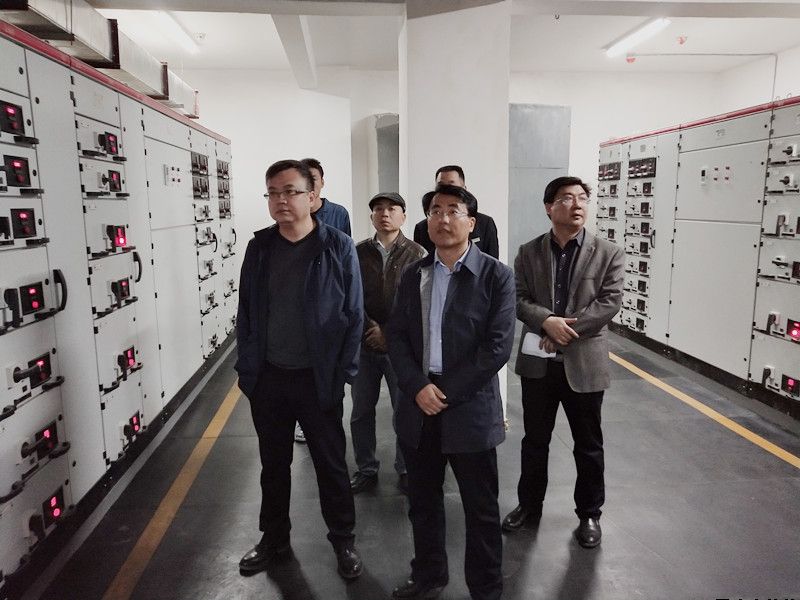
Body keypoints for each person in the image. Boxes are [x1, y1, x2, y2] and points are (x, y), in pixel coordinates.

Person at [235, 159, 364, 578]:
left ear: (312, 196)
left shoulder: (337, 246)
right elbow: (246, 312)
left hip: (317, 377)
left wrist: (342, 373)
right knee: (273, 466)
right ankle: (273, 539)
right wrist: (249, 370)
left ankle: (343, 540)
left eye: (290, 191)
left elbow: (354, 313)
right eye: (273, 192)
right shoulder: (260, 247)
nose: (281, 200)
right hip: (269, 377)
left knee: (330, 465)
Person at [387, 184, 515, 600]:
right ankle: (429, 576)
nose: (442, 219)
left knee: (481, 508)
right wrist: (417, 386)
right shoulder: (413, 274)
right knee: (422, 503)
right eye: (435, 211)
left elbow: (497, 347)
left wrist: (444, 392)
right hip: (419, 404)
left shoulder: (496, 276)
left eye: (453, 210)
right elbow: (397, 337)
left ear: (471, 223)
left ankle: (486, 588)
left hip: (469, 407)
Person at [502, 176, 624, 549]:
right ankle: (529, 505)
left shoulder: (608, 252)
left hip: (584, 362)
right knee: (534, 440)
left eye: (582, 198)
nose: (577, 204)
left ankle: (589, 514)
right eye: (567, 198)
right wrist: (546, 321)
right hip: (539, 365)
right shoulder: (528, 252)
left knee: (588, 444)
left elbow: (610, 302)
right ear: (549, 207)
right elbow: (518, 297)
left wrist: (562, 330)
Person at [349, 192, 426, 496]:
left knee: (404, 409)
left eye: (392, 209)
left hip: (401, 348)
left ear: (403, 216)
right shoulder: (358, 252)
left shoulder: (417, 253)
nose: (384, 214)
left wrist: (389, 333)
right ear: (371, 217)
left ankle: (406, 468)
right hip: (364, 343)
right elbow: (351, 297)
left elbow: (417, 303)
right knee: (360, 410)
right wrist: (370, 328)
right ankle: (366, 468)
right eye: (378, 209)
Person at [291, 158, 352, 444]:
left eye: (313, 178)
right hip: (301, 303)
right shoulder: (291, 217)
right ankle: (302, 422)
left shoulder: (338, 214)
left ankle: (327, 420)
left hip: (330, 300)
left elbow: (346, 257)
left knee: (327, 370)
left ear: (321, 183)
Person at [413, 165, 499, 259]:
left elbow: (492, 262)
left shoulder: (485, 223)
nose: (447, 191)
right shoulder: (422, 228)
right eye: (441, 186)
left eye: (451, 186)